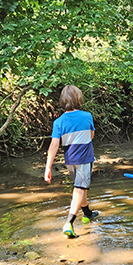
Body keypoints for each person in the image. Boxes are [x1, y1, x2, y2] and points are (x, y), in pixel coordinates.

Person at [44, 85, 98, 238]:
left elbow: (54, 145)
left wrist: (48, 167)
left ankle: (88, 214)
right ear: (78, 99)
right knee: (80, 189)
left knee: (81, 188)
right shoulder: (87, 116)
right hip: (84, 159)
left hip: (70, 161)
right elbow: (92, 135)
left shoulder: (58, 122)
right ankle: (69, 222)